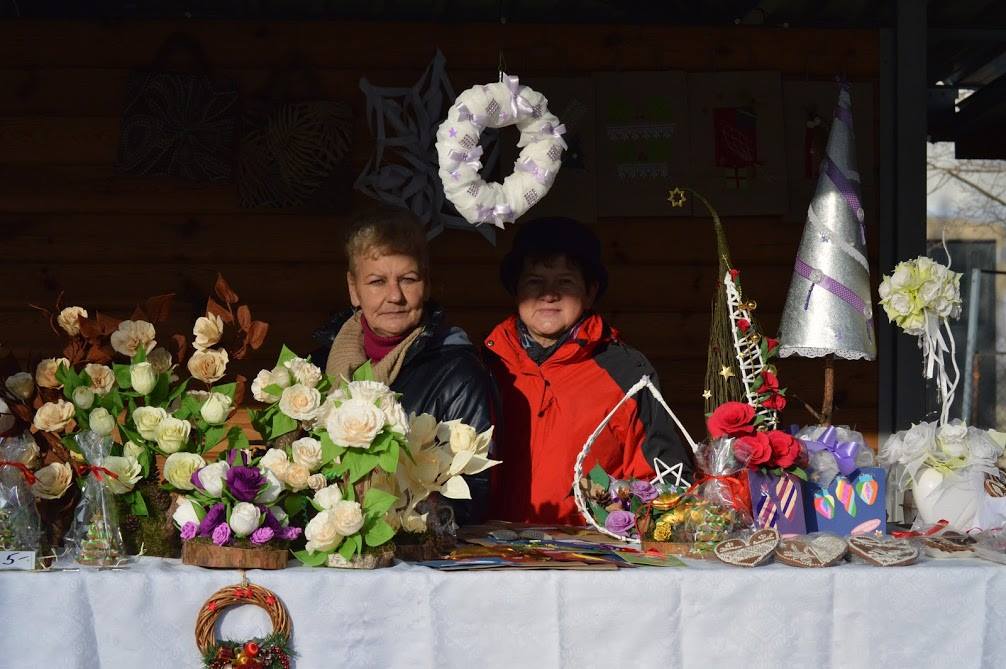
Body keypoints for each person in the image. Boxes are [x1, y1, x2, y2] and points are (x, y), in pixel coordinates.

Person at [485, 217, 695, 525]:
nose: (548, 294)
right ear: (517, 290)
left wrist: (611, 512)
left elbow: (664, 481)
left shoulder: (627, 372)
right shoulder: (486, 366)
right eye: (534, 281)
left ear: (590, 292)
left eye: (565, 282)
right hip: (490, 549)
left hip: (590, 549)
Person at [313, 207, 497, 524]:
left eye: (408, 279)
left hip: (415, 550)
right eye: (377, 281)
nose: (395, 296)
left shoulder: (458, 374)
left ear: (427, 284)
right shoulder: (318, 367)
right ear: (354, 289)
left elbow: (473, 495)